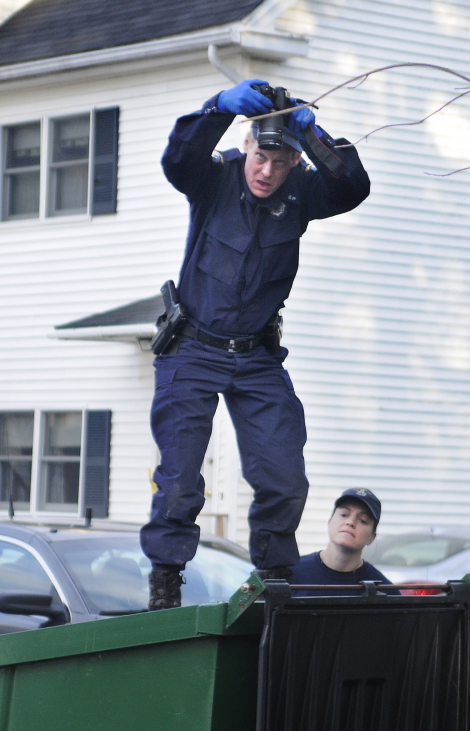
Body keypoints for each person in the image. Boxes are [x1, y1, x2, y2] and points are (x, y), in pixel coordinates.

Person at [141, 78, 371, 609]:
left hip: (258, 358)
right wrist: (217, 106)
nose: (267, 172)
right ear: (247, 144)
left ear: (294, 162)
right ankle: (165, 584)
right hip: (193, 349)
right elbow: (179, 158)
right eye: (261, 157)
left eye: (281, 161)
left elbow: (352, 186)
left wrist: (315, 134)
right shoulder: (213, 178)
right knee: (179, 481)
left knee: (284, 477)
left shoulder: (301, 193)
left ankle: (274, 581)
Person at [289, 487, 399, 596]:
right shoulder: (290, 574)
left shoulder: (384, 591)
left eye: (363, 520)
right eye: (344, 515)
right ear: (330, 521)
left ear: (372, 538)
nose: (350, 522)